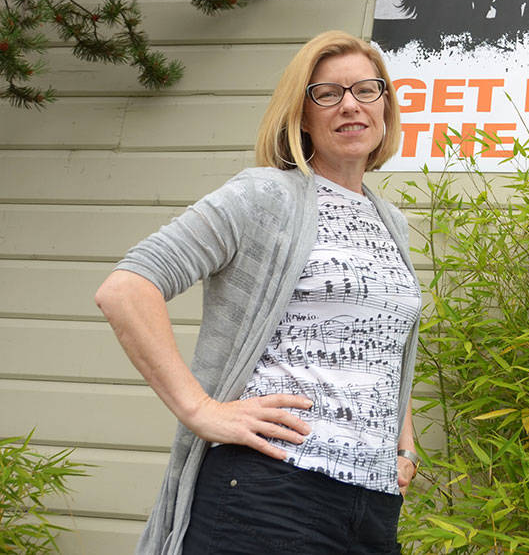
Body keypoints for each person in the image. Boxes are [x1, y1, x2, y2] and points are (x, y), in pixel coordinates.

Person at [95, 31, 421, 555]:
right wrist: (201, 410)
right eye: (327, 94)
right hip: (272, 492)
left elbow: (380, 344)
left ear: (384, 104)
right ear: (302, 115)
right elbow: (127, 288)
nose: (350, 105)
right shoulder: (265, 195)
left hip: (372, 506)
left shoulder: (391, 222)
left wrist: (403, 442)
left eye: (366, 89)